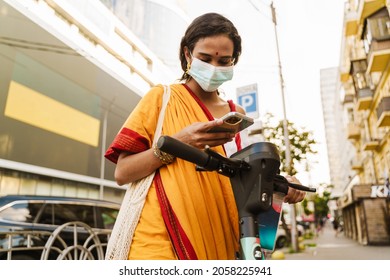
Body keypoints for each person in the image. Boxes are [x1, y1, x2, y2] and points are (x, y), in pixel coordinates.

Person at [105, 12, 306, 260]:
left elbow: (245, 177)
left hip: (220, 239)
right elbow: (122, 173)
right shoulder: (161, 98)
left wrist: (282, 183)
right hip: (159, 238)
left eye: (224, 61)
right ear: (188, 54)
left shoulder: (236, 114)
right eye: (205, 58)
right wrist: (181, 142)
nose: (214, 67)